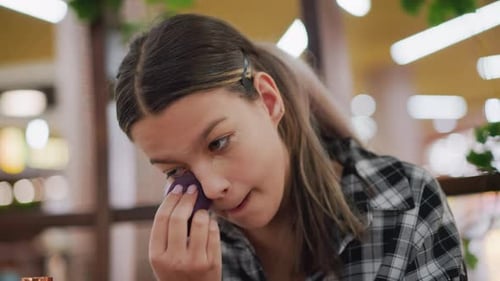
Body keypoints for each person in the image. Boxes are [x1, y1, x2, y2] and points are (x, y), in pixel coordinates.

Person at [114, 13, 467, 281]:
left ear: (268, 101)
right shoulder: (187, 258)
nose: (211, 188)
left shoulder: (403, 202)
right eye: (175, 171)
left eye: (218, 143)